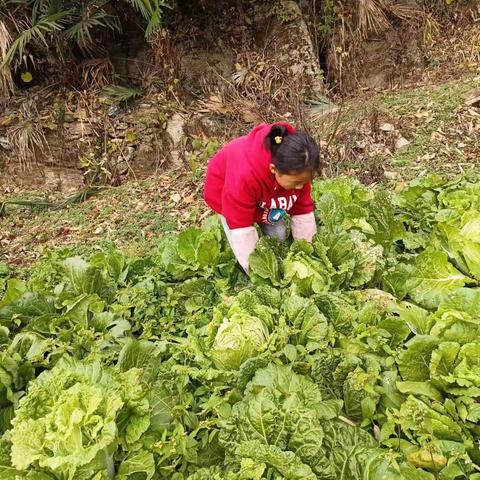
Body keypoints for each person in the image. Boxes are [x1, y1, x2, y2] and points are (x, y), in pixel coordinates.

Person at [204, 122, 320, 273]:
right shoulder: (245, 176)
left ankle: (276, 257)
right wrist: (258, 272)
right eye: (297, 183)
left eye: (304, 182)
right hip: (226, 188)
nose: (300, 187)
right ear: (274, 169)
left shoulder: (299, 170)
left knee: (278, 236)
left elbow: (302, 210)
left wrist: (307, 252)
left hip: (265, 191)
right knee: (239, 234)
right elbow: (241, 228)